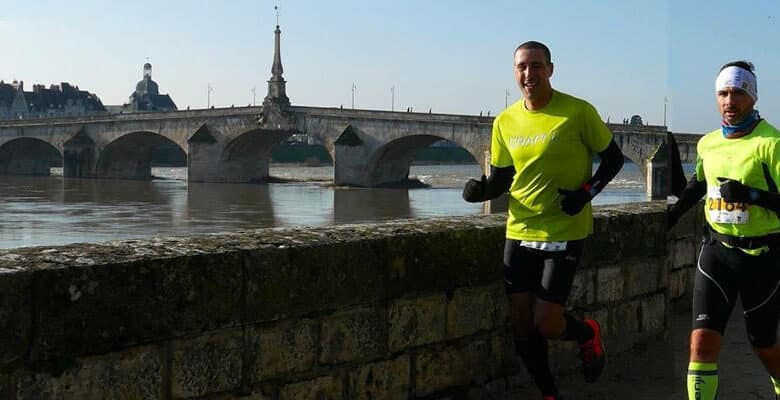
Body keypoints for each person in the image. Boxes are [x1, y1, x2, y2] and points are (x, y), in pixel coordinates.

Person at [462, 41, 624, 400]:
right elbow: (503, 181)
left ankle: (587, 334)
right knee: (521, 324)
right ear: (514, 72)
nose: (528, 74)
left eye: (536, 66)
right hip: (520, 229)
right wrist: (481, 192)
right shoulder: (505, 121)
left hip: (565, 229)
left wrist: (587, 192)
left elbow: (614, 160)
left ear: (550, 69)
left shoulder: (578, 112)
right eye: (522, 67)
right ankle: (549, 394)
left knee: (547, 322)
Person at [668, 61, 780, 400]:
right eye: (723, 93)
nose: (729, 101)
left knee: (763, 345)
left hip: (762, 257)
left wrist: (751, 195)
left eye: (738, 93)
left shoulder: (772, 143)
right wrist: (673, 214)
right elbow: (698, 184)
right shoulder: (708, 144)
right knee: (701, 342)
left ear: (752, 96)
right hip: (716, 252)